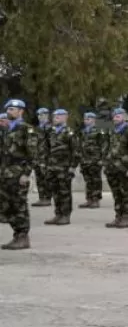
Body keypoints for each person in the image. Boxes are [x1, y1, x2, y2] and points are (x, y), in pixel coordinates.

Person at [1, 99, 39, 250]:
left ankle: (22, 237)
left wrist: (26, 173)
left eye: (12, 109)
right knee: (7, 206)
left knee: (19, 205)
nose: (9, 112)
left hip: (18, 173)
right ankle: (17, 235)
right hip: (4, 173)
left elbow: (33, 154)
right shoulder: (6, 129)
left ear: (20, 111)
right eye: (8, 109)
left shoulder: (26, 129)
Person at [104, 108, 128, 229]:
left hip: (123, 169)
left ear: (124, 116)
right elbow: (108, 148)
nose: (115, 118)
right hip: (112, 168)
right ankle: (118, 216)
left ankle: (125, 217)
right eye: (114, 116)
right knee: (116, 194)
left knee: (124, 193)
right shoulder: (113, 131)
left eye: (118, 116)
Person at [43, 109, 79, 226]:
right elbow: (47, 149)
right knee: (55, 192)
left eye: (59, 116)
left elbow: (76, 152)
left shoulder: (70, 133)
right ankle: (58, 214)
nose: (56, 118)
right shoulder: (51, 132)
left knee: (64, 192)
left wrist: (73, 167)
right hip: (52, 168)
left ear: (65, 117)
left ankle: (65, 215)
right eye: (54, 116)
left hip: (64, 168)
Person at [78, 112, 107, 210]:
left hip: (95, 159)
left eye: (88, 119)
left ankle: (96, 199)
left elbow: (104, 145)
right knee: (88, 180)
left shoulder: (99, 130)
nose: (86, 121)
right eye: (85, 119)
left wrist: (102, 159)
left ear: (94, 120)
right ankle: (89, 199)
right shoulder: (83, 131)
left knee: (96, 180)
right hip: (85, 160)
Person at [32, 106, 52, 208]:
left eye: (43, 114)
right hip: (37, 157)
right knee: (39, 178)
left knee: (46, 178)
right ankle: (41, 198)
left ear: (47, 115)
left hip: (47, 158)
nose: (41, 117)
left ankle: (47, 198)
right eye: (39, 115)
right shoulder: (36, 129)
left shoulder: (50, 128)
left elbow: (52, 145)